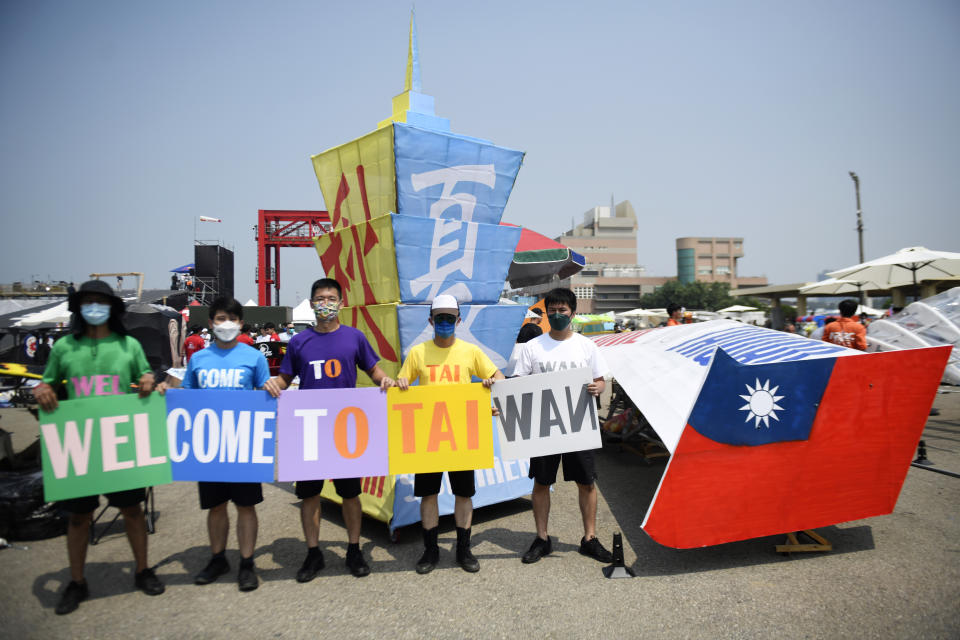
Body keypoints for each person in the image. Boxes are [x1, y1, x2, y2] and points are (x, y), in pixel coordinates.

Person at [32, 280, 164, 615]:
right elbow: (46, 383)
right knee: (78, 518)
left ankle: (142, 569)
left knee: (133, 510)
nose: (93, 307)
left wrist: (148, 380)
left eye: (99, 301)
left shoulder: (128, 345)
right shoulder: (64, 348)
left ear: (112, 308)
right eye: (87, 301)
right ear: (78, 308)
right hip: (79, 443)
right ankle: (77, 581)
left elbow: (145, 377)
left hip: (119, 442)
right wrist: (41, 389)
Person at [263, 278, 393, 580]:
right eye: (320, 299)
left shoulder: (354, 337)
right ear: (311, 304)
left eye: (331, 298)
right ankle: (313, 553)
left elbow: (374, 371)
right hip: (310, 429)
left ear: (341, 303)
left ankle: (353, 549)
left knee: (350, 494)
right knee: (309, 495)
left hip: (345, 428)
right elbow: (284, 379)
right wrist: (273, 384)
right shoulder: (298, 342)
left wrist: (385, 380)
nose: (326, 304)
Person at [159, 297, 270, 592]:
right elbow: (187, 398)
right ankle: (218, 557)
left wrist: (273, 388)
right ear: (211, 323)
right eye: (221, 318)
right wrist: (166, 390)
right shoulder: (199, 360)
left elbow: (264, 394)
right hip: (209, 447)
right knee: (216, 506)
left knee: (246, 506)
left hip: (243, 445)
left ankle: (247, 563)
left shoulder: (254, 357)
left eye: (232, 318)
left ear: (241, 323)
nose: (226, 324)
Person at [395, 294, 504, 574]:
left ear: (459, 320)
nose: (444, 322)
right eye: (439, 318)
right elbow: (401, 384)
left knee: (463, 494)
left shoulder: (471, 352)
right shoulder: (418, 353)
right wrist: (402, 383)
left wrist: (492, 388)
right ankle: (430, 550)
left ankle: (463, 549)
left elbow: (499, 378)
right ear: (430, 321)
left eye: (449, 318)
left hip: (463, 435)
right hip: (428, 435)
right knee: (428, 495)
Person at [512, 287, 613, 566]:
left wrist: (598, 387)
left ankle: (589, 538)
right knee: (542, 482)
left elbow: (601, 380)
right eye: (552, 311)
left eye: (562, 311)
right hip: (543, 426)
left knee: (586, 482)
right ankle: (542, 538)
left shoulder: (586, 346)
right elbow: (519, 382)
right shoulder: (533, 347)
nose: (557, 315)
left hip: (578, 424)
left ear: (573, 313)